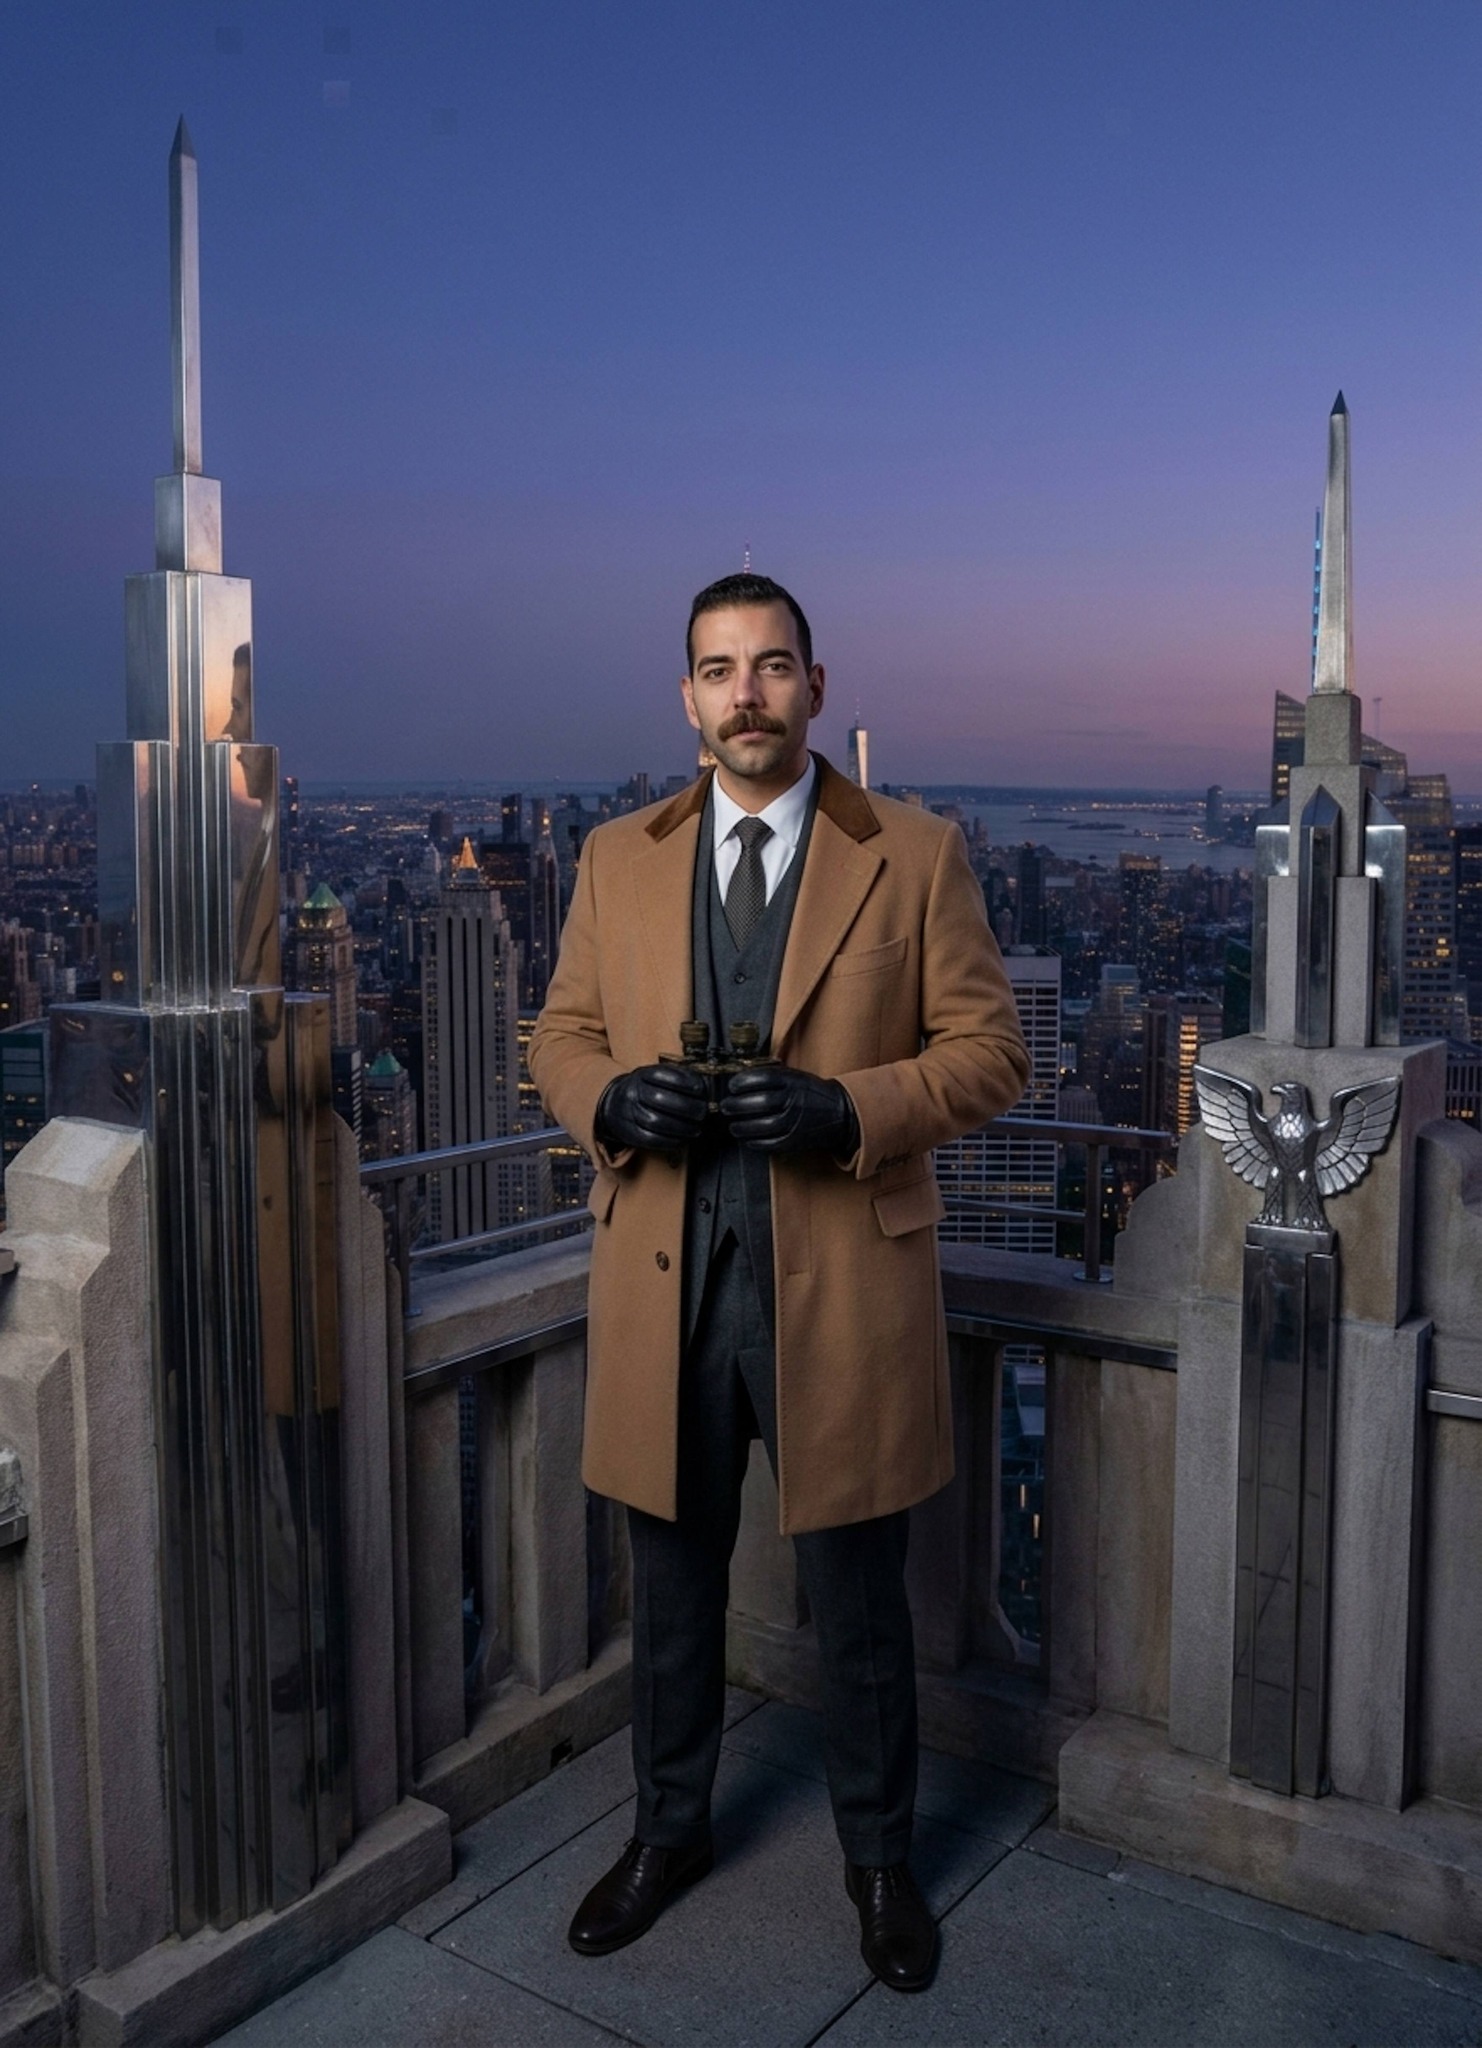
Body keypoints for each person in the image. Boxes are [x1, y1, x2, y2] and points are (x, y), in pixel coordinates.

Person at [528, 572, 1029, 1992]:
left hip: (842, 1291)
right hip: (662, 1282)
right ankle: (665, 1836)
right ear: (685, 698)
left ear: (813, 683)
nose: (743, 693)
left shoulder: (914, 852)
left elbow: (991, 1055)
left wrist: (849, 1112)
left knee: (860, 1609)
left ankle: (878, 1865)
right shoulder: (615, 857)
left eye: (769, 667)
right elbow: (557, 1032)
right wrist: (609, 1099)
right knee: (671, 1594)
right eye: (715, 670)